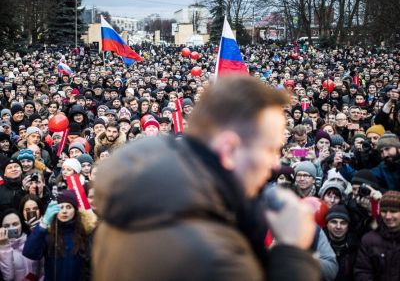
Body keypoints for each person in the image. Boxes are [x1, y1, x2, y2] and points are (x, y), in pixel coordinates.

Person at [93, 76, 319, 281]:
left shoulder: (138, 192)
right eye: (269, 149)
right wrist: (293, 252)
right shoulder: (211, 260)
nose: (275, 163)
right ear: (229, 149)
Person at [23, 190, 95, 281]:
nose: (64, 211)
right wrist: (43, 224)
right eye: (60, 207)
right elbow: (29, 253)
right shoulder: (47, 233)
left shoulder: (85, 232)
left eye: (68, 207)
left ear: (75, 210)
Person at [354, 190, 400, 280]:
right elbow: (362, 272)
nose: (388, 216)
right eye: (384, 211)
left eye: (393, 211)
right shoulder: (368, 240)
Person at [0, 209, 43, 280]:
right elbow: (8, 277)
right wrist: (5, 247)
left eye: (15, 224)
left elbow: (43, 269)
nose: (11, 228)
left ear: (21, 225)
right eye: (7, 226)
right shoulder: (2, 249)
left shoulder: (32, 241)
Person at [324, 205, 359, 281]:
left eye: (343, 223)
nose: (338, 226)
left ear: (348, 226)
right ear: (327, 224)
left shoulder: (356, 247)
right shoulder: (320, 246)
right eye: (334, 222)